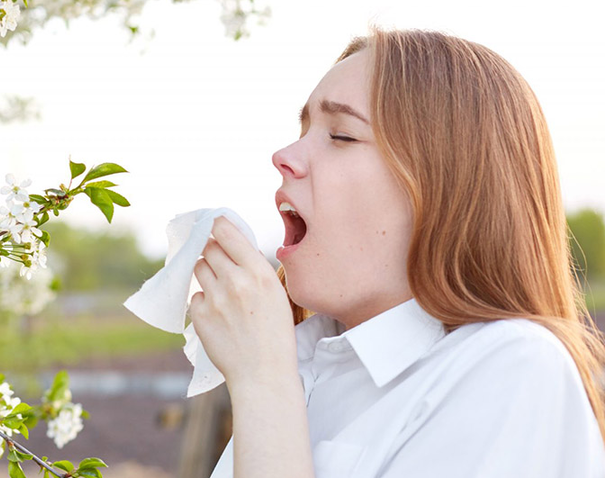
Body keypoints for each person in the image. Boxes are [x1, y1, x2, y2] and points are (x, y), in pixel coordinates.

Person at [188, 26, 605, 478]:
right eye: (304, 129)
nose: (284, 155)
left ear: (447, 185)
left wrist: (262, 383)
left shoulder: (514, 368)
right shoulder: (307, 366)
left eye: (342, 136)